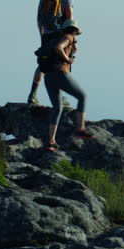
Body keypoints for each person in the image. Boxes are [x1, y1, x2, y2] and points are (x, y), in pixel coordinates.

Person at [37, 18, 92, 150]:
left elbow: (58, 46)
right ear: (75, 30)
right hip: (59, 74)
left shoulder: (58, 37)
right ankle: (80, 129)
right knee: (82, 96)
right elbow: (58, 48)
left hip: (48, 76)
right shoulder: (68, 37)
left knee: (57, 108)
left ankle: (51, 141)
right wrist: (67, 59)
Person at [27, 0, 77, 106]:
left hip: (46, 33)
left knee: (43, 62)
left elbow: (39, 16)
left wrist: (42, 34)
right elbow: (69, 18)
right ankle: (60, 100)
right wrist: (71, 38)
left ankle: (32, 94)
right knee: (62, 64)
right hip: (60, 33)